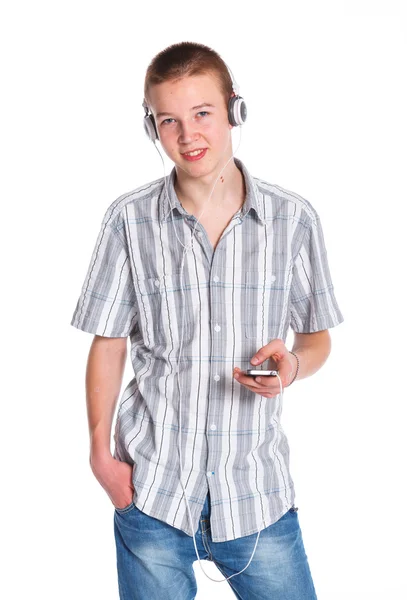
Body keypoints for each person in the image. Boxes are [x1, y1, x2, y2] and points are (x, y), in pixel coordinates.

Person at [70, 41, 344, 600]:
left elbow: (317, 338)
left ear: (233, 111)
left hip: (256, 494)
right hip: (151, 490)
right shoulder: (128, 220)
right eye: (168, 120)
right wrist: (102, 457)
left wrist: (292, 365)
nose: (188, 135)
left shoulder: (293, 220)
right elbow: (108, 343)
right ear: (152, 127)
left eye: (202, 114)